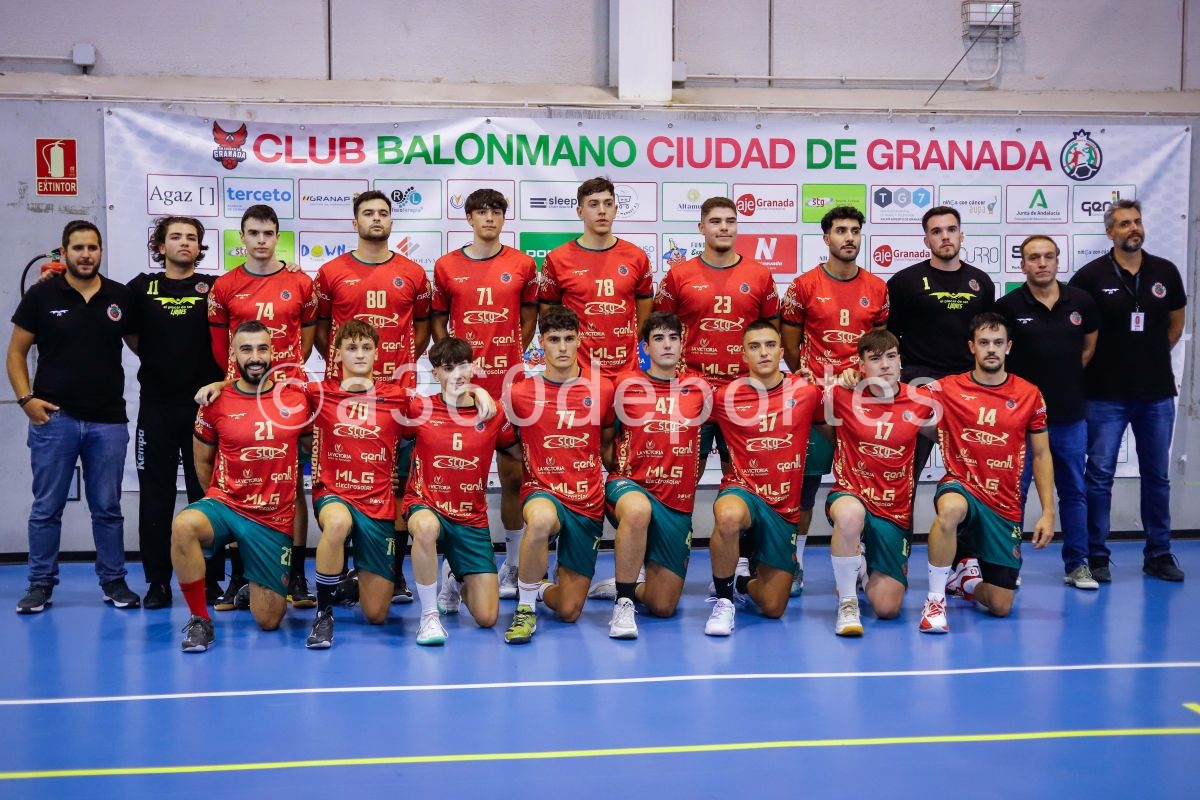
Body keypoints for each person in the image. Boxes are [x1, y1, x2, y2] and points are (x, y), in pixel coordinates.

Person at [7, 220, 140, 614]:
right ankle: (39, 584)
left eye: (93, 247)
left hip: (108, 421)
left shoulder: (118, 297)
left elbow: (141, 347)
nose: (86, 254)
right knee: (46, 507)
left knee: (108, 507)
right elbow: (15, 353)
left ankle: (113, 581)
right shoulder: (41, 295)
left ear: (101, 251)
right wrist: (25, 399)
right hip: (55, 419)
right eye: (78, 248)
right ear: (64, 252)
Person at [313, 189, 432, 604]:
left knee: (396, 485)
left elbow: (421, 330)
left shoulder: (414, 273)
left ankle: (392, 574)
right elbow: (325, 331)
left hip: (394, 397)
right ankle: (341, 572)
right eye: (368, 213)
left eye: (383, 213)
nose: (376, 219)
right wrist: (350, 371)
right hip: (343, 399)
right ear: (354, 221)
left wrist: (395, 373)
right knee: (342, 482)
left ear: (392, 221)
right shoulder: (330, 272)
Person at [171, 321, 308, 652]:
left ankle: (256, 583)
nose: (255, 356)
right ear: (233, 354)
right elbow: (201, 462)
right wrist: (220, 506)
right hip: (228, 504)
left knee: (269, 620)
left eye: (262, 348)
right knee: (184, 524)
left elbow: (320, 443)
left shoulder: (298, 399)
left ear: (273, 352)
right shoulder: (215, 401)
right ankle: (199, 619)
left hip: (273, 518)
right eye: (246, 349)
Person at [1069, 199, 1186, 582]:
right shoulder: (1089, 277)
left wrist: (1146, 359)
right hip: (1104, 394)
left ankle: (1159, 553)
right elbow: (1081, 336)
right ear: (1110, 233)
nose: (1133, 228)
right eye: (1123, 224)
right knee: (1099, 475)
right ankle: (1097, 556)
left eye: (1136, 222)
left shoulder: (1165, 271)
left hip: (1155, 394)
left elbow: (1175, 327)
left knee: (1157, 476)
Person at [208, 204, 318, 608]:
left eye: (268, 233)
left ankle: (298, 576)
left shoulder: (300, 283)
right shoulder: (224, 286)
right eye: (253, 233)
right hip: (239, 393)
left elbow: (305, 341)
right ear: (242, 237)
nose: (260, 240)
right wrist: (230, 382)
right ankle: (241, 577)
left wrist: (286, 377)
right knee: (241, 483)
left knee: (293, 483)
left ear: (277, 237)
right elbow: (222, 348)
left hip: (288, 393)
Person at [432, 187, 537, 601]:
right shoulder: (445, 266)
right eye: (481, 212)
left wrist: (511, 356)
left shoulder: (522, 264)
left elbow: (529, 317)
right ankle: (452, 573)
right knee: (457, 480)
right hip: (462, 389)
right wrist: (457, 367)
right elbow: (439, 320)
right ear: (469, 218)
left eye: (496, 211)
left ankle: (511, 566)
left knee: (514, 476)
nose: (489, 218)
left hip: (509, 385)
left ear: (504, 218)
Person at [919, 313, 1054, 634]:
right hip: (961, 486)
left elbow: (1041, 453)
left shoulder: (1029, 394)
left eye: (997, 343)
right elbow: (898, 403)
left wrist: (1048, 511)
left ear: (1008, 347)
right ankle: (935, 600)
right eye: (983, 343)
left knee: (1000, 605)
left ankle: (964, 583)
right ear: (972, 347)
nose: (990, 349)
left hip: (1003, 504)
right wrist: (853, 380)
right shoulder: (947, 388)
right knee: (950, 509)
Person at [781, 205, 888, 597]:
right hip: (813, 405)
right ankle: (795, 563)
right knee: (804, 489)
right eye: (841, 230)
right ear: (826, 238)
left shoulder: (877, 288)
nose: (849, 237)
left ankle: (862, 560)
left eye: (855, 231)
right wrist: (810, 377)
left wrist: (859, 378)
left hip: (861, 403)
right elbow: (790, 348)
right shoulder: (803, 285)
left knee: (863, 487)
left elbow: (878, 348)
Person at [123, 217, 225, 609]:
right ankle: (157, 584)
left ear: (200, 247)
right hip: (157, 410)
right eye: (176, 237)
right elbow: (132, 335)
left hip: (206, 411)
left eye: (192, 238)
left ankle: (212, 582)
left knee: (208, 497)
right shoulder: (139, 288)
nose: (185, 243)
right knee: (155, 497)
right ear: (160, 245)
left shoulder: (215, 287)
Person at [587, 312, 707, 639]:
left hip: (675, 504)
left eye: (673, 338)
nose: (667, 345)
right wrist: (620, 471)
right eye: (658, 338)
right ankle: (624, 605)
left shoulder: (700, 389)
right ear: (645, 347)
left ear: (683, 344)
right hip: (628, 487)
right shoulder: (624, 385)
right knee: (638, 511)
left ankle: (627, 586)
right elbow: (606, 437)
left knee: (663, 605)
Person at [502, 306, 615, 644]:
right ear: (541, 343)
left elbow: (608, 443)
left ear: (580, 339)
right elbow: (506, 443)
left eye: (569, 339)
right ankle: (525, 609)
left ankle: (541, 586)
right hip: (543, 492)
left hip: (587, 500)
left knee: (569, 610)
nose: (562, 347)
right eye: (554, 340)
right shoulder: (520, 394)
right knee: (538, 523)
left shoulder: (604, 389)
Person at [705, 320, 822, 636]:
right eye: (754, 346)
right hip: (743, 490)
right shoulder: (724, 396)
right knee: (728, 516)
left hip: (783, 508)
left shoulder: (806, 391)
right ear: (743, 355)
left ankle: (737, 581)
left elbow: (839, 423)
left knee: (773, 607)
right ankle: (724, 602)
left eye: (770, 345)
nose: (763, 352)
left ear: (782, 351)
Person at [997, 236, 1099, 589]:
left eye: (1048, 257)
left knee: (1074, 491)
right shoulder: (1007, 306)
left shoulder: (1081, 301)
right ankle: (1009, 565)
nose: (1041, 263)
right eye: (1033, 258)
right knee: (1015, 494)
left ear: (1058, 260)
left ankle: (1078, 564)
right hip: (1022, 421)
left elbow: (1088, 349)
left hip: (1070, 415)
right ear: (1022, 264)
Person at [653, 196, 780, 478]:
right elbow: (659, 332)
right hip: (691, 390)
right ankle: (681, 524)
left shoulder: (760, 275)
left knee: (743, 480)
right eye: (715, 222)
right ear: (701, 228)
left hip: (745, 391)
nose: (724, 228)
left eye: (730, 221)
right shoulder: (678, 276)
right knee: (683, 479)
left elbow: (773, 333)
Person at [403, 337, 517, 645]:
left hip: (471, 517)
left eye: (463, 366)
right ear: (436, 373)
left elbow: (515, 452)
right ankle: (428, 617)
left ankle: (454, 580)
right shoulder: (419, 408)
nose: (457, 374)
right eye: (448, 368)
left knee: (487, 617)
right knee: (425, 528)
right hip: (426, 504)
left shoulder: (492, 414)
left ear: (473, 367)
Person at [821, 329, 935, 636]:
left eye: (890, 356)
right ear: (861, 365)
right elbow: (816, 417)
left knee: (887, 608)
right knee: (848, 516)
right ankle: (847, 604)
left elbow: (952, 441)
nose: (884, 364)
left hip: (893, 509)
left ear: (901, 361)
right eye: (874, 358)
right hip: (852, 493)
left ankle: (862, 565)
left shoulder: (922, 402)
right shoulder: (841, 395)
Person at [886, 206, 995, 480]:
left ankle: (964, 522)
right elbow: (889, 337)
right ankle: (900, 524)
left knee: (974, 474)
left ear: (961, 235)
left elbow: (987, 340)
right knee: (905, 476)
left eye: (951, 230)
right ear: (927, 240)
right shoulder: (903, 282)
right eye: (936, 231)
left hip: (968, 385)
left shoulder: (981, 282)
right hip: (919, 384)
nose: (945, 237)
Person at [539, 176, 653, 380]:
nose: (602, 210)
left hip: (626, 371)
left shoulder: (636, 257)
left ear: (616, 209)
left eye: (608, 204)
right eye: (593, 204)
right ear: (580, 212)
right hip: (577, 373)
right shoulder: (558, 259)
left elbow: (645, 314)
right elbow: (549, 319)